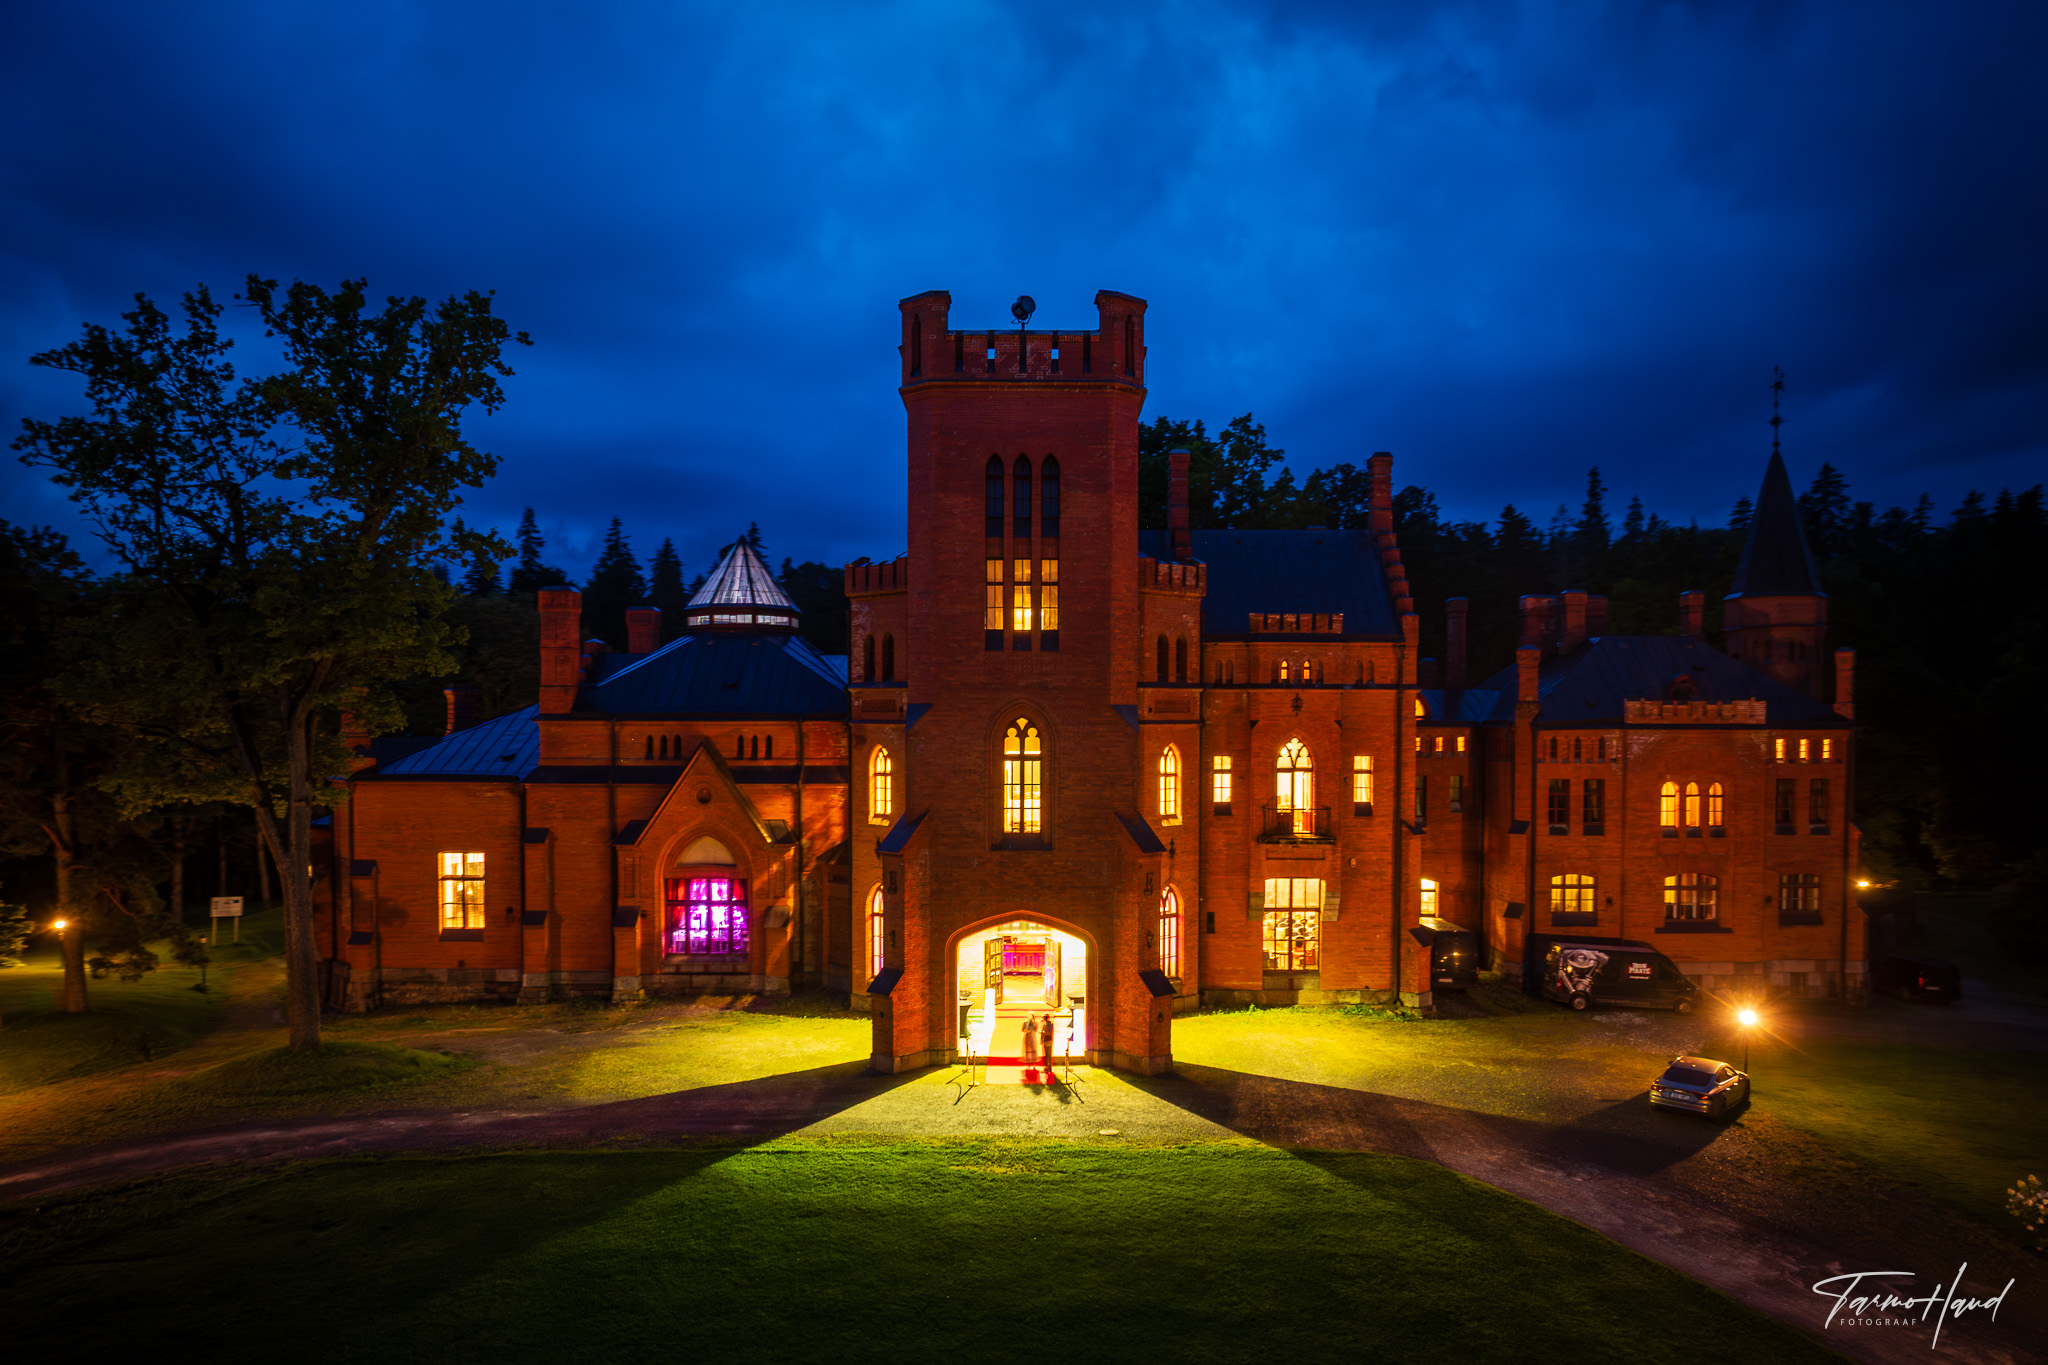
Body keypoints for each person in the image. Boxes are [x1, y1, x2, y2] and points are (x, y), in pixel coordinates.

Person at [1040, 1013, 1057, 1080]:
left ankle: (1049, 1067)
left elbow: (1049, 1033)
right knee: (1046, 1055)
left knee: (1048, 1055)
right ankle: (1047, 1067)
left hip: (1048, 1040)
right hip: (1046, 1040)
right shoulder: (1045, 1024)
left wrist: (1043, 1033)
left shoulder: (1049, 1024)